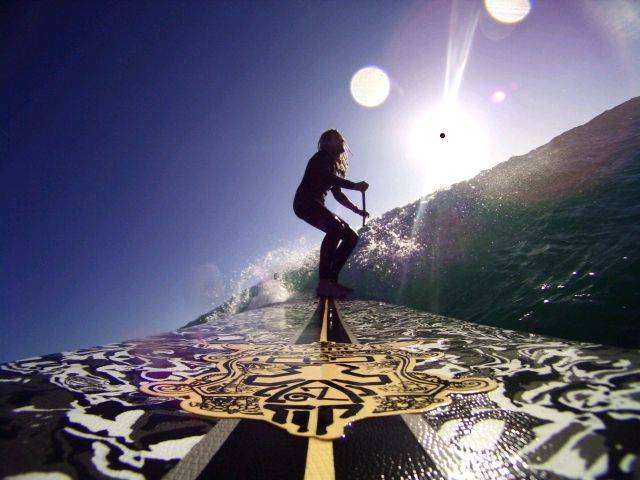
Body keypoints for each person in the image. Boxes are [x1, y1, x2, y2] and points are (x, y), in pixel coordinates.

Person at [293, 129, 369, 297]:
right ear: (327, 143)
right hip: (304, 202)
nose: (342, 141)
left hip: (312, 204)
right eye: (337, 139)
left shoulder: (332, 165)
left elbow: (338, 194)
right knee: (336, 228)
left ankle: (331, 282)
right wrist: (355, 185)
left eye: (341, 139)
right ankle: (324, 283)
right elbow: (327, 177)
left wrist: (357, 210)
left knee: (351, 236)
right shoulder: (322, 157)